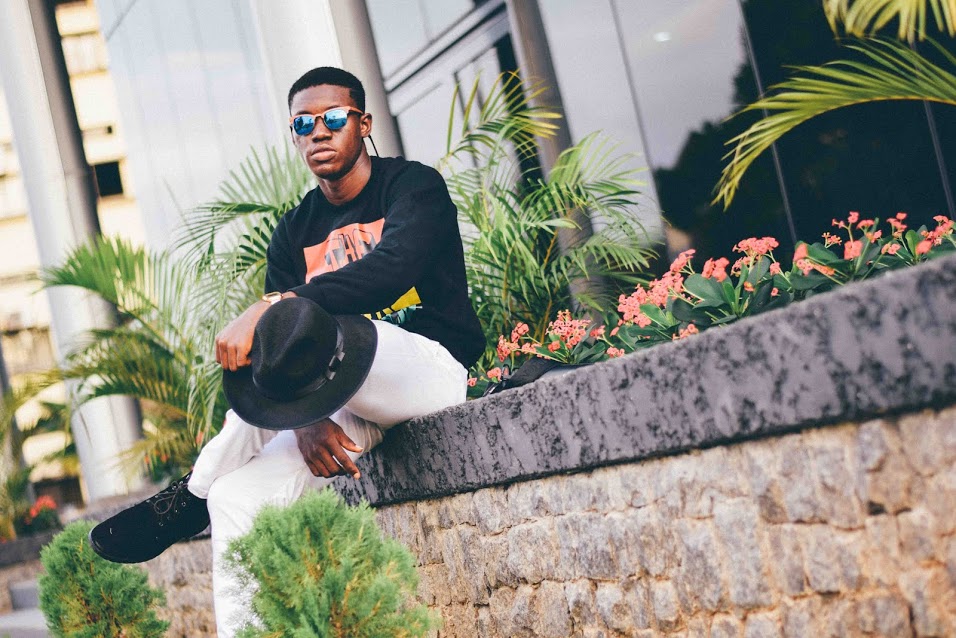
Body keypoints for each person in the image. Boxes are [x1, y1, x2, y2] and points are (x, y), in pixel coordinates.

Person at [89, 66, 484, 636]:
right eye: (304, 123)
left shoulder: (412, 187)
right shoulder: (294, 230)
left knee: (333, 331)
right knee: (236, 496)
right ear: (294, 135)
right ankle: (216, 530)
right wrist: (307, 420)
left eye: (333, 118)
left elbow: (389, 272)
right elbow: (280, 351)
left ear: (364, 124)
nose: (318, 131)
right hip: (347, 405)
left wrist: (277, 301)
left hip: (428, 372)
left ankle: (188, 493)